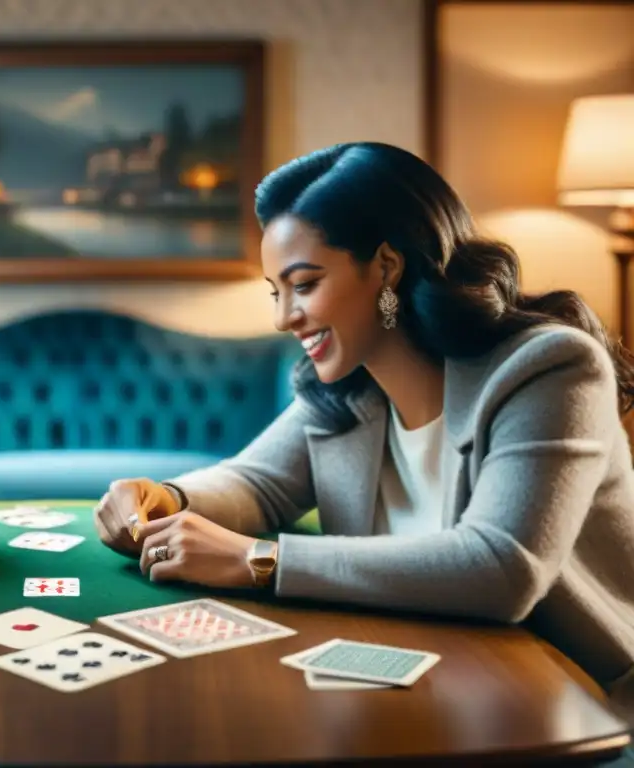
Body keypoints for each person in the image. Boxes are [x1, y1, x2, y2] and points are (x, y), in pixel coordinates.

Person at [94, 142, 634, 731]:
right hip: (433, 689)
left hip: (581, 707)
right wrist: (167, 497)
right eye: (277, 292)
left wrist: (257, 560)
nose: (283, 318)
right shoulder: (352, 385)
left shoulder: (549, 367)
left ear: (385, 266)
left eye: (304, 284)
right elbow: (256, 483)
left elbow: (501, 568)